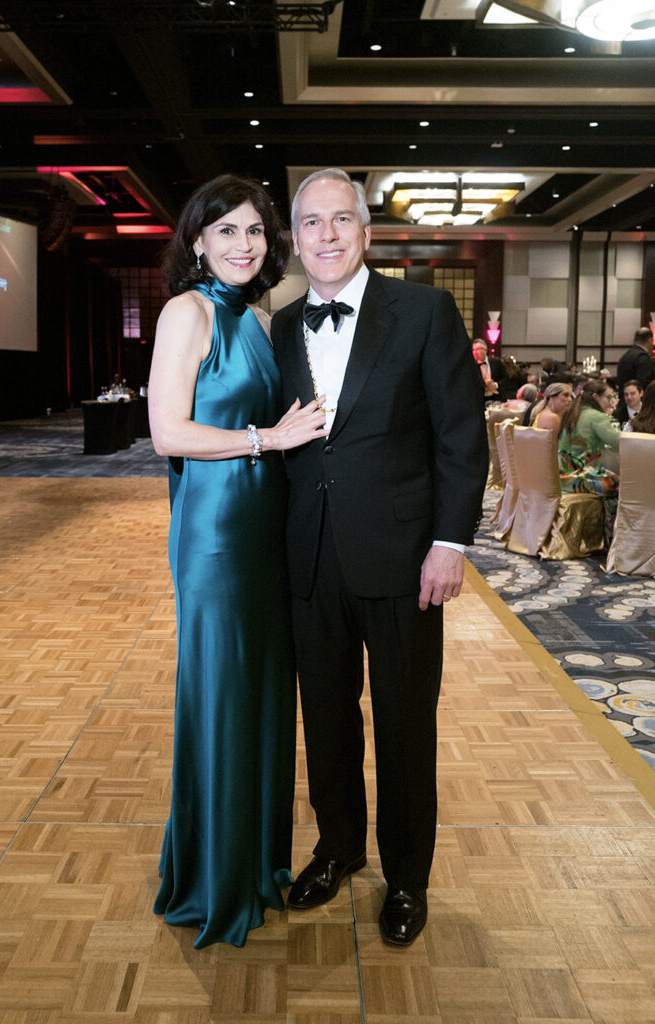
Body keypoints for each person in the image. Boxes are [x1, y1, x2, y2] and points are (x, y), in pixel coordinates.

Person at [270, 169, 488, 948]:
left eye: (340, 221)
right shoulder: (282, 324)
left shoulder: (424, 310)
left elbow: (461, 437)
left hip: (403, 560)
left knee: (402, 726)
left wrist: (448, 543)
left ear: (365, 232)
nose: (325, 235)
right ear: (295, 239)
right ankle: (337, 849)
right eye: (310, 223)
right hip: (310, 558)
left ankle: (405, 876)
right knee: (325, 722)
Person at [148, 174, 327, 949]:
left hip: (264, 533)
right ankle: (214, 883)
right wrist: (267, 440)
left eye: (254, 232)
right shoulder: (186, 313)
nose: (242, 245)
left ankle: (254, 866)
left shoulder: (257, 317)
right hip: (216, 535)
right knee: (222, 697)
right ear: (197, 239)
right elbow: (166, 434)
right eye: (225, 232)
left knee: (258, 698)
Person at [558, 379, 620, 543]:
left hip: (563, 476)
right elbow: (618, 443)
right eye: (608, 397)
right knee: (621, 484)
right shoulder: (597, 417)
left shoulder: (572, 413)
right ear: (595, 396)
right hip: (583, 478)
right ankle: (608, 538)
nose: (610, 401)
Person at [616, 327, 655, 397]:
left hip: (624, 398)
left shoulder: (626, 356)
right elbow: (644, 384)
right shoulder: (643, 357)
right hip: (636, 402)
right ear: (650, 340)